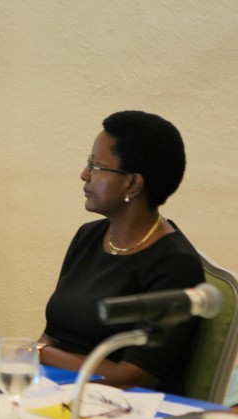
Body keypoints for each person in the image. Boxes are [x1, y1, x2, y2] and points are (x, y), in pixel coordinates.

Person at [38, 110, 204, 395]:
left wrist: (39, 355)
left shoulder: (175, 264)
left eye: (96, 166)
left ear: (133, 184)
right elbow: (53, 333)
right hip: (56, 393)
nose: (84, 175)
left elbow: (131, 377)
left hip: (124, 413)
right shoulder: (88, 237)